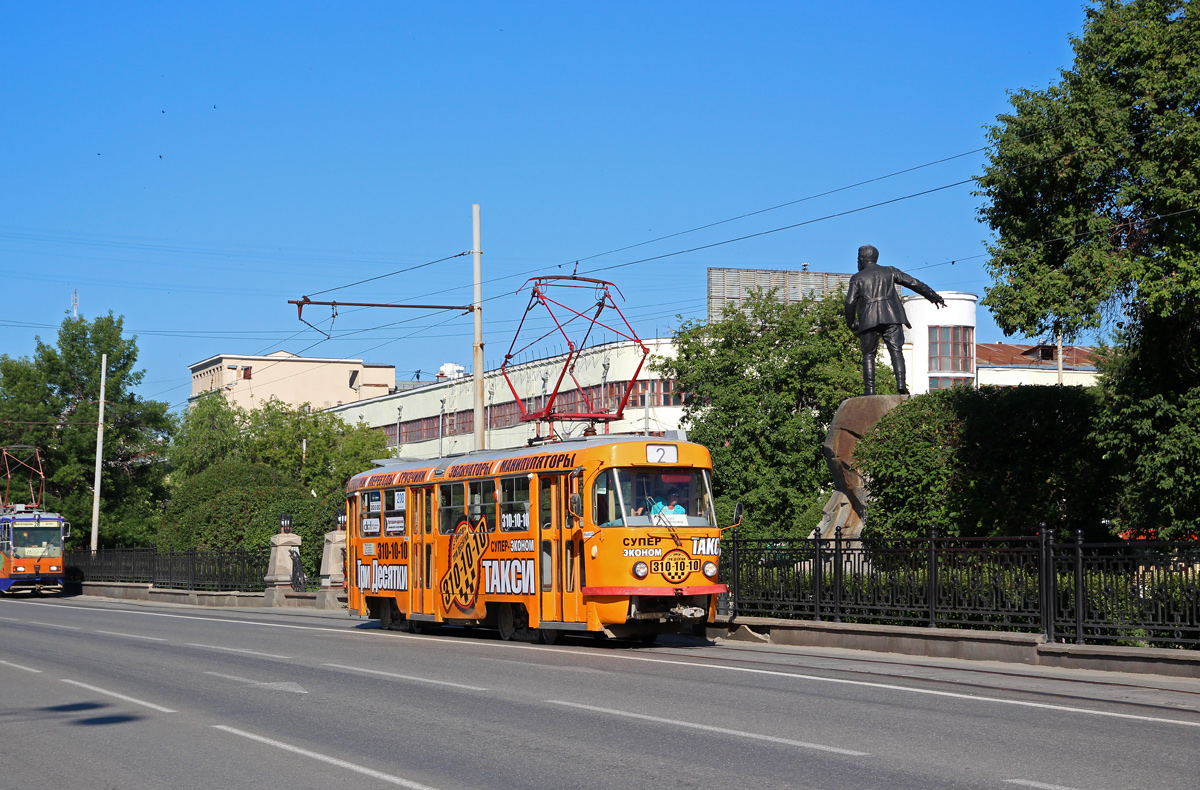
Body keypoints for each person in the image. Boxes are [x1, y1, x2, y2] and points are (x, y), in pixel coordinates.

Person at [843, 244, 946, 395]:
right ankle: (901, 384)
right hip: (891, 316)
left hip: (868, 319)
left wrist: (850, 322)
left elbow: (849, 302)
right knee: (896, 351)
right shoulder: (889, 271)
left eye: (858, 258)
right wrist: (933, 296)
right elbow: (914, 283)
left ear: (863, 259)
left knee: (869, 354)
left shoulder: (857, 278)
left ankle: (869, 389)